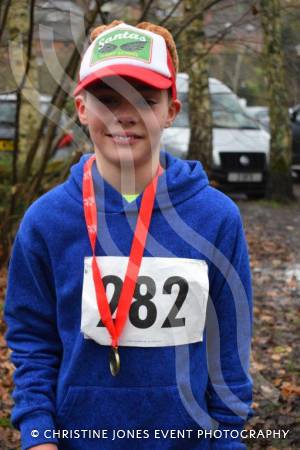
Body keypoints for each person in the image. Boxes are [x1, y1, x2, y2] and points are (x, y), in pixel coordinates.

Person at [4, 20, 253, 450]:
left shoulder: (216, 218)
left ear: (170, 110)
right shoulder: (45, 222)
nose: (124, 114)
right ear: (81, 108)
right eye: (106, 98)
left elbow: (227, 352)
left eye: (145, 99)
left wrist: (227, 438)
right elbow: (32, 341)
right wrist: (39, 437)